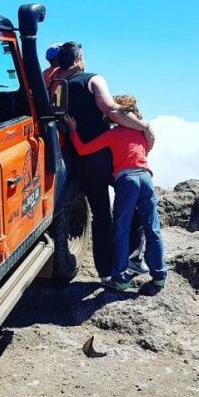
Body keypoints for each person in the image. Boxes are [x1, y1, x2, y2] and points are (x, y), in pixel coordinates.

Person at [54, 41, 155, 281]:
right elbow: (110, 108)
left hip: (81, 160)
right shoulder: (93, 79)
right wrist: (145, 127)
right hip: (106, 156)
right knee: (137, 203)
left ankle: (105, 273)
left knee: (100, 215)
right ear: (79, 59)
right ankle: (132, 258)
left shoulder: (55, 87)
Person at [63, 95, 167, 295]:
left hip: (127, 180)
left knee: (121, 228)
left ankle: (120, 278)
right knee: (152, 228)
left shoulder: (113, 134)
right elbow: (148, 148)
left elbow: (83, 150)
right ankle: (159, 276)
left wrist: (74, 130)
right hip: (146, 178)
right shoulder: (142, 134)